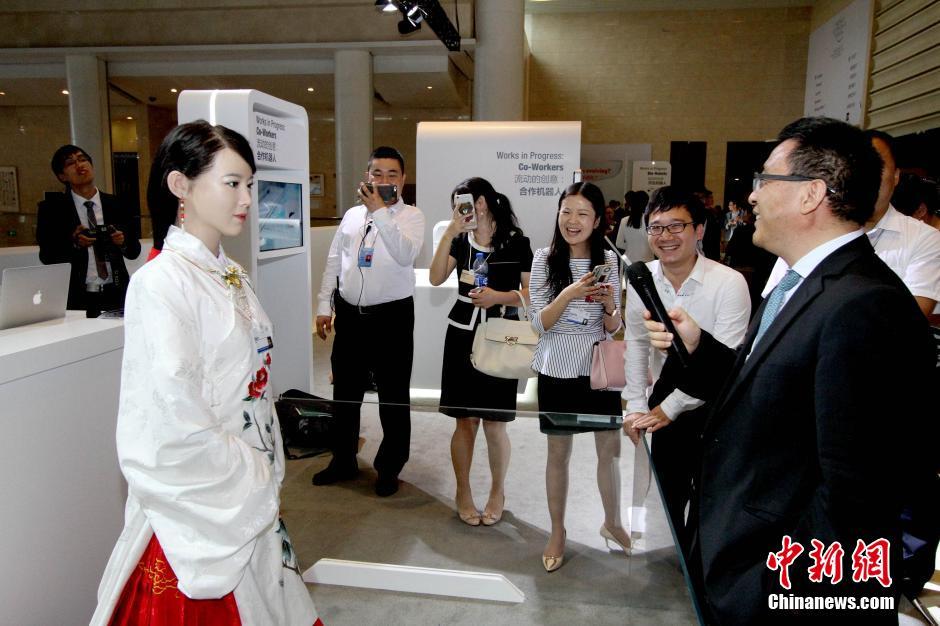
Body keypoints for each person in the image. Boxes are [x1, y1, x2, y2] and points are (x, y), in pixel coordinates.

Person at [642, 117, 935, 624]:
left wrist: (767, 590)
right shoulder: (804, 281)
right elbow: (770, 391)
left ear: (811, 194)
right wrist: (700, 347)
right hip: (737, 552)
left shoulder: (866, 306)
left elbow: (855, 499)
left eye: (766, 179)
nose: (752, 196)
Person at [89, 121, 320, 625]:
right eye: (232, 183)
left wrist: (262, 469)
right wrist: (248, 471)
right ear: (181, 185)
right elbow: (170, 412)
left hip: (247, 489)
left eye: (250, 185)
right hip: (203, 504)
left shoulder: (227, 273)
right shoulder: (160, 283)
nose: (246, 198)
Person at [622, 186, 750, 555]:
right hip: (666, 395)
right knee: (668, 493)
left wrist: (669, 409)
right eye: (656, 227)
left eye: (676, 226)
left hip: (719, 402)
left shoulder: (729, 283)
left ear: (699, 230)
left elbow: (725, 360)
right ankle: (676, 564)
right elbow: (635, 345)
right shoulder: (642, 278)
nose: (665, 237)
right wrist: (635, 405)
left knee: (713, 499)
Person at [529, 181, 630, 572]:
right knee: (558, 454)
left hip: (598, 364)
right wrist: (569, 293)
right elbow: (539, 324)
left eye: (582, 213)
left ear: (597, 219)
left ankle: (612, 522)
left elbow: (614, 326)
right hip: (556, 364)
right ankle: (557, 531)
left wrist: (609, 306)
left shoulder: (609, 259)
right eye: (566, 211)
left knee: (610, 451)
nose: (573, 221)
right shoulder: (544, 258)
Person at [313, 146, 425, 497]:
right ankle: (343, 460)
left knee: (393, 396)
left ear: (403, 180)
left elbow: (405, 253)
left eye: (392, 175)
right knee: (345, 393)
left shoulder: (412, 216)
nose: (384, 181)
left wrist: (381, 213)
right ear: (367, 176)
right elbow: (335, 261)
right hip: (349, 314)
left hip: (391, 315)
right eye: (377, 174)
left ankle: (389, 468)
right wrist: (322, 304)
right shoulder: (350, 216)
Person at [429, 177, 532, 526]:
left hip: (499, 336)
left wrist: (499, 298)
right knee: (464, 420)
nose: (463, 209)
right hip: (460, 333)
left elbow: (531, 295)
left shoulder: (517, 242)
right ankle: (463, 491)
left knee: (495, 423)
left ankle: (497, 491)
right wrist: (449, 232)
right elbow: (435, 277)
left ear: (483, 203)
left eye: (467, 202)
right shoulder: (460, 240)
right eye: (457, 204)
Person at [764, 129, 940, 318]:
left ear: (896, 176)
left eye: (876, 169)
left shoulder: (924, 239)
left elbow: (909, 319)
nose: (865, 179)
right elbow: (774, 303)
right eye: (858, 169)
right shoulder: (810, 230)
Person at [36, 144, 141, 315]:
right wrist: (75, 244)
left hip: (116, 291)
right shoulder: (52, 210)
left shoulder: (117, 204)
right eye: (71, 163)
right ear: (62, 176)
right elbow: (47, 256)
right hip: (78, 296)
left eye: (83, 159)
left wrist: (122, 242)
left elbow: (134, 251)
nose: (80, 165)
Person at [615, 192, 654, 263]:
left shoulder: (624, 220)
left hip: (628, 261)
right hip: (648, 261)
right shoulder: (651, 220)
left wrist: (632, 247)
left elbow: (619, 243)